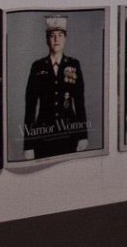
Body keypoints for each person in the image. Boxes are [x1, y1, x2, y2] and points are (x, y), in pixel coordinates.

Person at [23, 15, 89, 158]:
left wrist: (83, 135)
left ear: (65, 38)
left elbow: (79, 103)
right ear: (47, 39)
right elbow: (30, 106)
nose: (56, 39)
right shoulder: (37, 66)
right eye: (52, 35)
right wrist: (28, 144)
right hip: (43, 133)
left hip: (69, 132)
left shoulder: (73, 65)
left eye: (60, 35)